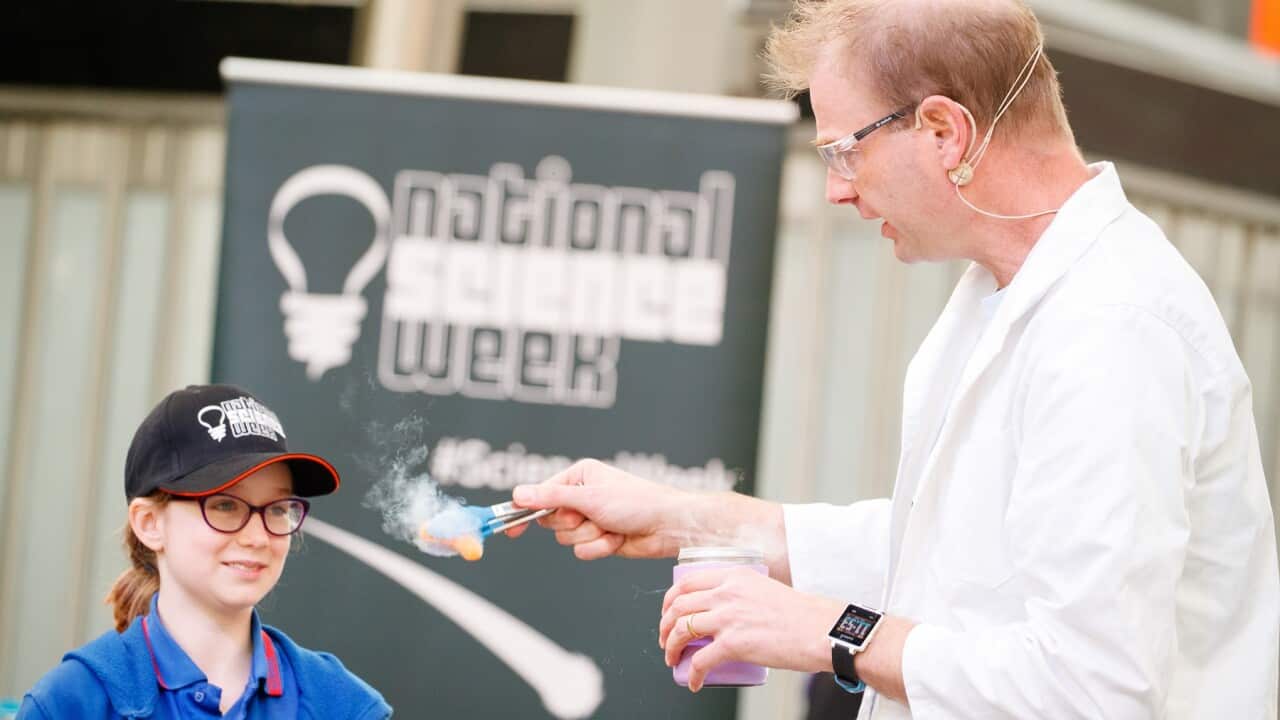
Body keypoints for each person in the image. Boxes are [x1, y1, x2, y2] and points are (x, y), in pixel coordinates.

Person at [508, 1, 1280, 717]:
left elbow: (1090, 686)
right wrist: (679, 515)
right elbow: (948, 556)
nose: (838, 191)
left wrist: (829, 634)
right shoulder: (1009, 290)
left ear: (945, 131)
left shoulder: (1112, 327)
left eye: (845, 152)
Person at [19, 384, 391, 719]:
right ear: (149, 523)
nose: (258, 537)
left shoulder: (343, 705)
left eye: (277, 510)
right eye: (226, 506)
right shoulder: (72, 704)